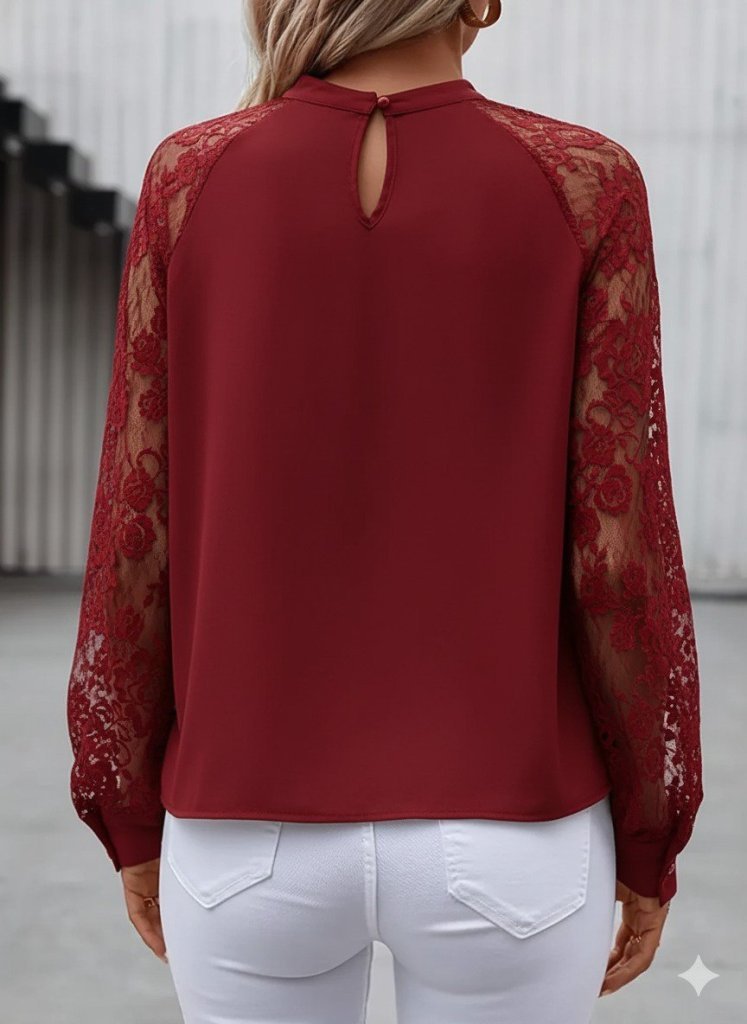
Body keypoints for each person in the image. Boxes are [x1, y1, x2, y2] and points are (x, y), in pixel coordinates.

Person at [65, 1, 704, 1021]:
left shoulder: (188, 177)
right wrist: (648, 833)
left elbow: (137, 533)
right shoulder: (587, 182)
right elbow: (617, 558)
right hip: (513, 832)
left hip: (241, 833)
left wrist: (130, 811)